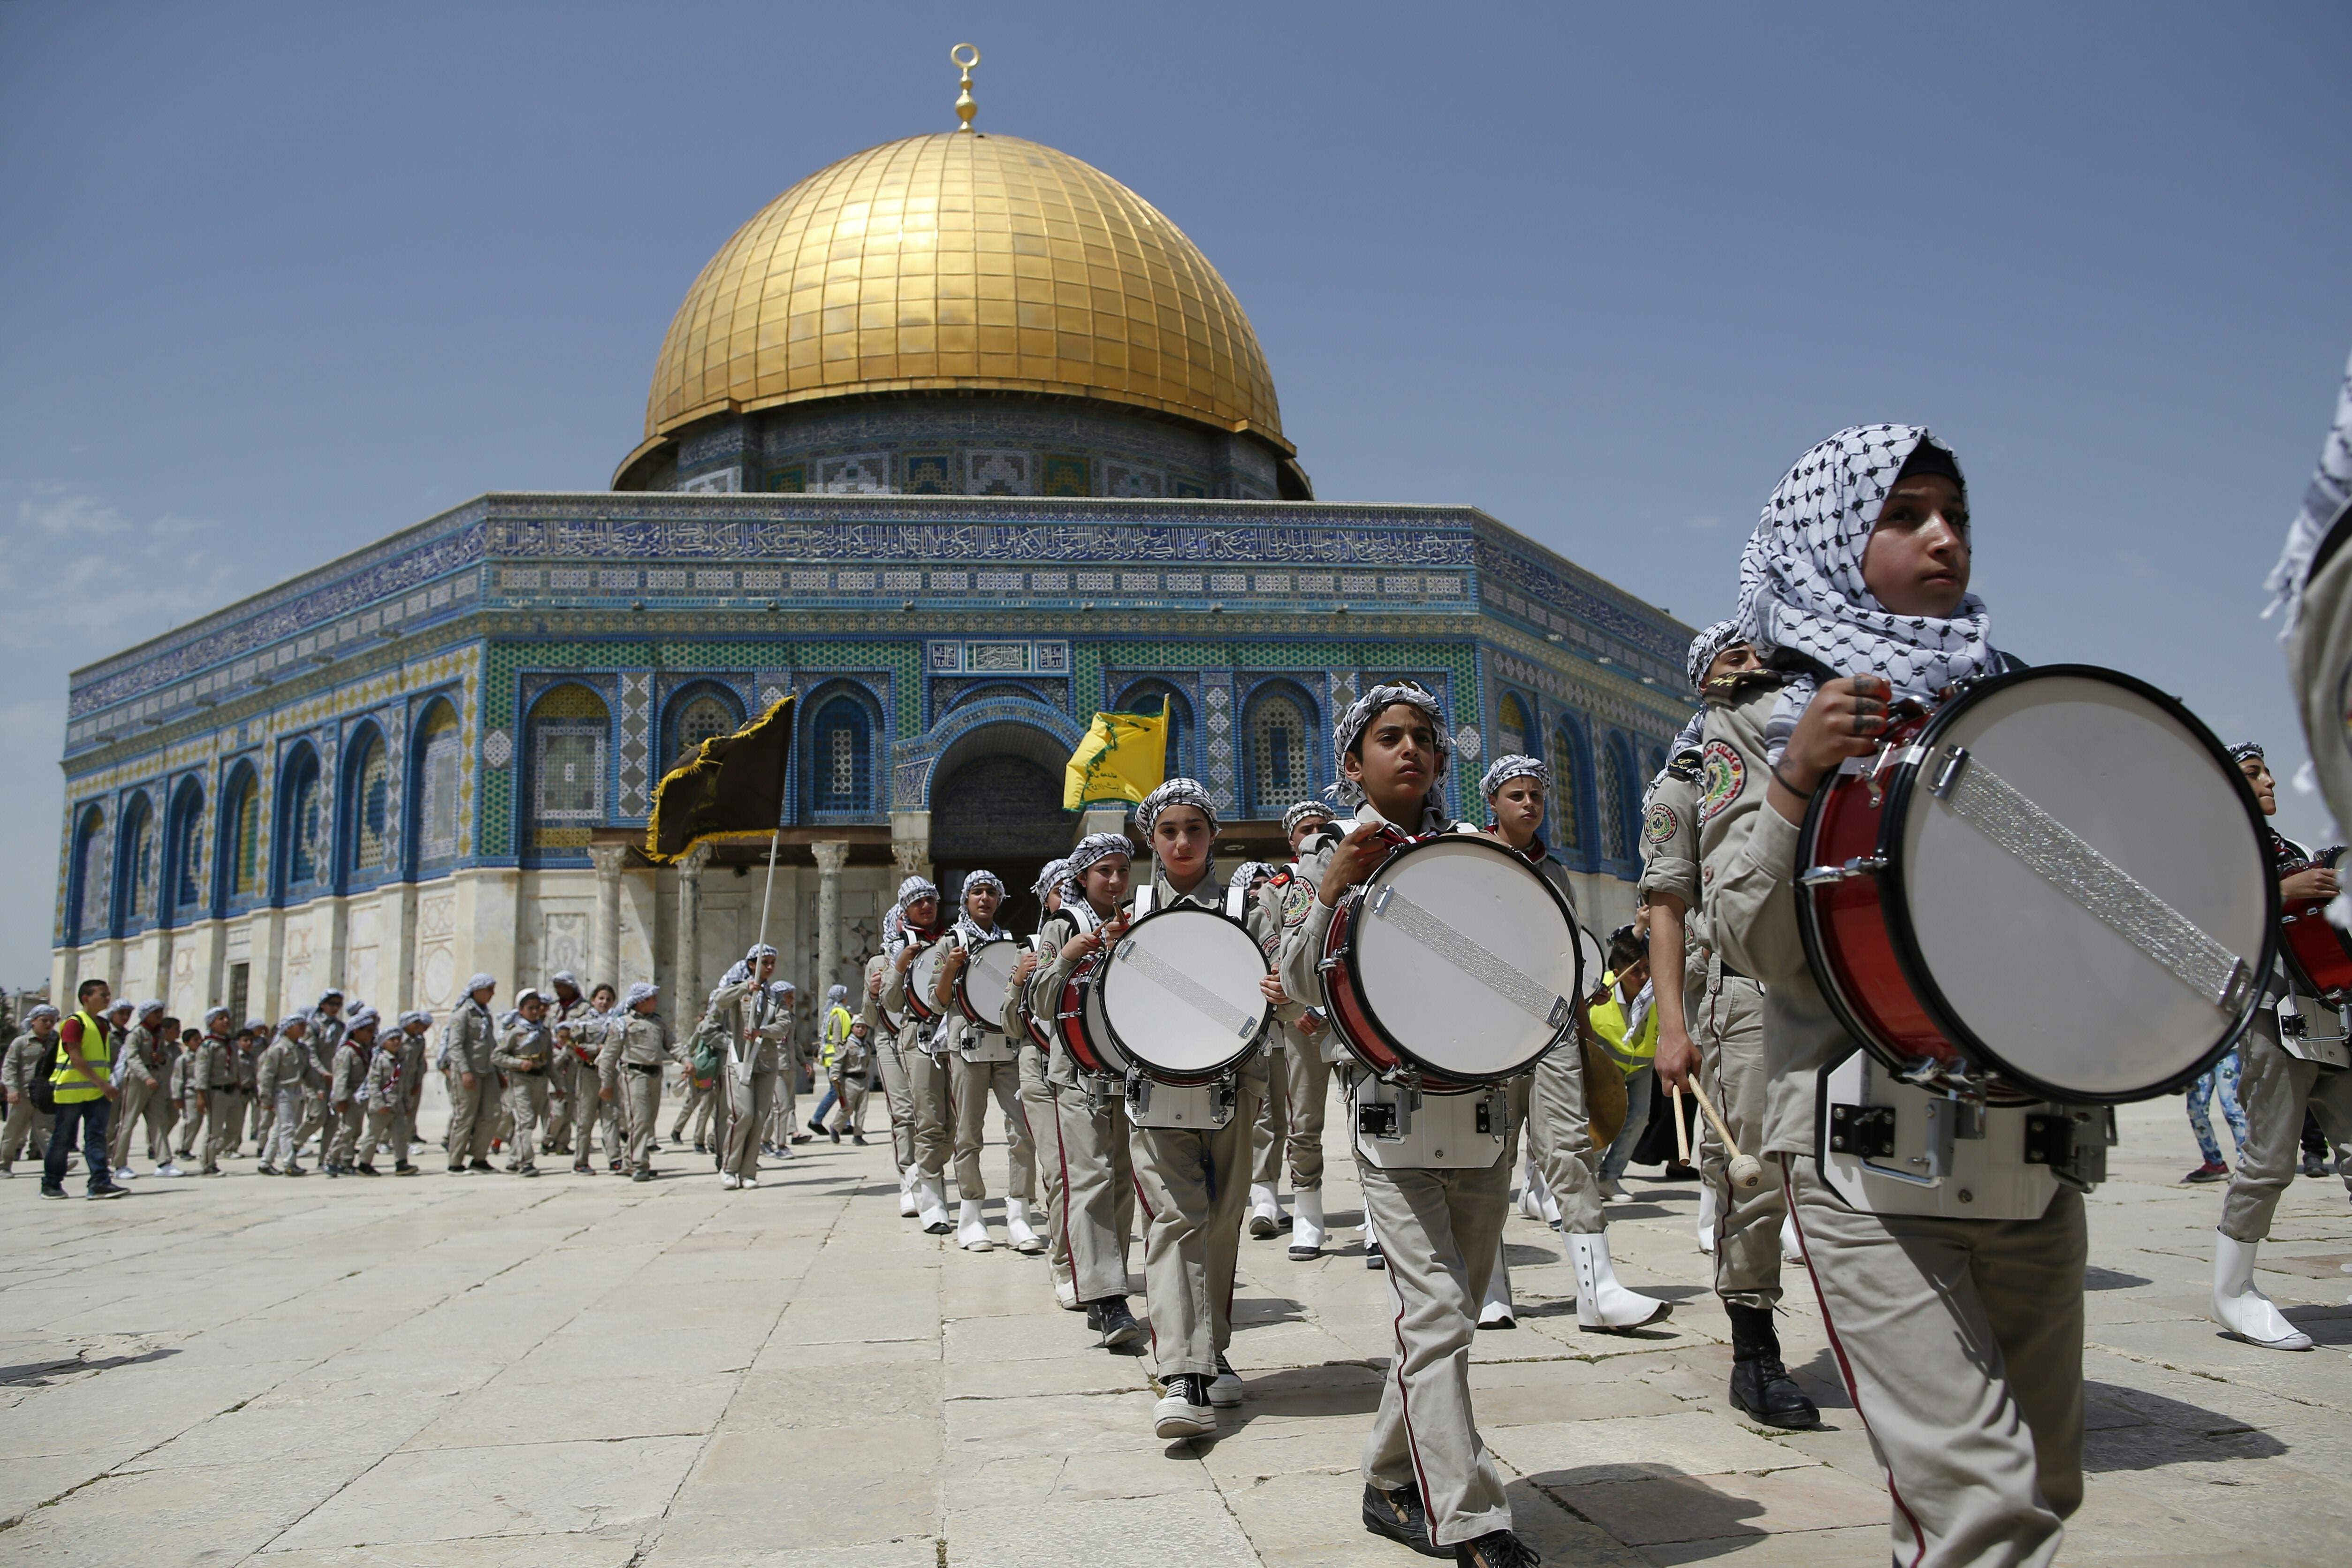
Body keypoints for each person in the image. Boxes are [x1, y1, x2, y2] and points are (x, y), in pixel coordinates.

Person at [1712, 423, 2086, 1567]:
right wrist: (1796, 779)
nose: (1944, 538)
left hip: (2025, 1138)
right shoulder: (1769, 716)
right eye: (1907, 513)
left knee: (2041, 1475)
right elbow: (1748, 935)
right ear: (1835, 534)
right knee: (1980, 1501)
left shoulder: (2013, 706)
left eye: (1957, 515)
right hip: (1861, 1142)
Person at [1278, 684, 1536, 1568]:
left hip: (1479, 1108)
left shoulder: (1469, 852)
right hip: (1391, 1111)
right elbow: (1300, 985)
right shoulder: (1333, 856)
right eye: (1388, 738)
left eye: (1423, 738)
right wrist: (1330, 894)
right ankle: (1469, 1518)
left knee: (1452, 1307)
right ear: (1353, 761)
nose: (1410, 751)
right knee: (1432, 1309)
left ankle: (1389, 1473)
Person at [1645, 623, 1814, 1426]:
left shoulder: (1802, 737)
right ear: (1700, 680)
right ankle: (1755, 1350)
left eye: (1755, 653)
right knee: (1754, 1171)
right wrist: (1670, 1026)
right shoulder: (1684, 780)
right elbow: (1666, 906)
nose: (1749, 665)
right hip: (1744, 993)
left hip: (1827, 982)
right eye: (1729, 658)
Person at [1481, 754, 1667, 1337]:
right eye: (1517, 796)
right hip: (1489, 1033)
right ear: (1494, 803)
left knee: (1567, 1148)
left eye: (1537, 796)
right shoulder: (1473, 862)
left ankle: (1598, 1290)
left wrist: (1583, 1025)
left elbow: (1571, 953)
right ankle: (1489, 1289)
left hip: (1554, 1024)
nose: (1529, 805)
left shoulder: (1556, 872)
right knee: (1490, 1155)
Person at [1114, 780, 1267, 1439]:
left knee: (1223, 1217)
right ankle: (1182, 1372)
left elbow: (1280, 988)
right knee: (1177, 1218)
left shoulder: (1245, 905)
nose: (1181, 842)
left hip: (1235, 1082)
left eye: (1193, 829)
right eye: (1168, 830)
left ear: (1213, 835)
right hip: (1156, 1086)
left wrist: (1284, 991)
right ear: (1151, 837)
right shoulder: (1135, 909)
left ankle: (1211, 1347)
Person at [2210, 741, 2352, 1349]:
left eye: (2267, 770)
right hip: (2270, 1021)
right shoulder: (2218, 852)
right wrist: (2281, 895)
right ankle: (2234, 1292)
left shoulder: (2284, 849)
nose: (2268, 780)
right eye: (2252, 773)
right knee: (2268, 1161)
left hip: (2328, 1016)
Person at [1025, 832, 1145, 1349]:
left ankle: (1108, 1278)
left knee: (1122, 1180)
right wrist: (1069, 957)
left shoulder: (1142, 922)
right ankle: (1106, 1296)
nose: (1115, 881)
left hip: (1128, 1069)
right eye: (1104, 872)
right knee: (1090, 1176)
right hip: (1074, 1071)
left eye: (1122, 870)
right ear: (1082, 878)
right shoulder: (1061, 928)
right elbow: (1040, 1001)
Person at [933, 869, 1040, 1253]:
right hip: (967, 1046)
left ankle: (1019, 1214)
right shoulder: (952, 941)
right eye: (977, 892)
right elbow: (937, 1001)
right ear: (966, 899)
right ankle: (971, 1213)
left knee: (1022, 1130)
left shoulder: (1013, 943)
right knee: (967, 1132)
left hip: (1007, 1043)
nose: (984, 898)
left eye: (991, 892)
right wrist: (950, 966)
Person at [1256, 802, 1340, 1259]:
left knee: (1369, 1112)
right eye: (1306, 830)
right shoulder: (1277, 890)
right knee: (1304, 1119)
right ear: (1292, 840)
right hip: (1301, 1017)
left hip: (1348, 1010)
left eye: (1321, 828)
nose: (1315, 836)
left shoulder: (1349, 872)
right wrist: (1293, 994)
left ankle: (1374, 1215)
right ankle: (1308, 1213)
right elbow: (1274, 948)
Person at [1008, 858, 1077, 1297]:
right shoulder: (1032, 948)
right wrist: (1018, 982)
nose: (1066, 895)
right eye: (1058, 889)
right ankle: (1067, 1265)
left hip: (1092, 1069)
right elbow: (1012, 1026)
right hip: (1041, 1067)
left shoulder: (1114, 936)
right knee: (1059, 1170)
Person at [883, 877, 955, 1232]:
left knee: (952, 1125)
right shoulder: (896, 946)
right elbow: (891, 1004)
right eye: (918, 902)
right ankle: (933, 1201)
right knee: (928, 1120)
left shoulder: (951, 941)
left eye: (931, 900)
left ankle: (917, 1173)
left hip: (952, 1036)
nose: (926, 907)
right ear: (905, 908)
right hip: (918, 1036)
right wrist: (899, 966)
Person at [711, 944, 790, 1190]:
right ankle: (729, 1167)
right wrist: (745, 987)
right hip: (740, 1061)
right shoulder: (740, 991)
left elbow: (783, 1025)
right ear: (752, 965)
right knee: (742, 1113)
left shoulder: (775, 996)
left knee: (758, 1118)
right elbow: (720, 1000)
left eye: (772, 963)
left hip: (765, 1063)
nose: (769, 968)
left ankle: (748, 1170)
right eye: (764, 963)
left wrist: (761, 1032)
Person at [599, 981, 677, 1181]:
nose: (656, 1002)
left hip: (655, 1075)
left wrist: (686, 1061)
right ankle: (639, 1164)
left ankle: (628, 1161)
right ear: (641, 1001)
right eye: (652, 998)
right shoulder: (622, 1023)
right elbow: (609, 1056)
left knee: (647, 1122)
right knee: (639, 1120)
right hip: (634, 1075)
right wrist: (606, 1083)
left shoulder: (658, 1023)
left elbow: (673, 1044)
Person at [494, 989, 556, 1177]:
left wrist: (559, 1085)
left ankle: (514, 1158)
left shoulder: (544, 1032)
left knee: (530, 1121)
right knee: (525, 1119)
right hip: (520, 1080)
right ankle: (526, 1162)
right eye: (531, 1008)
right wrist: (518, 1064)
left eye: (538, 1008)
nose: (535, 1012)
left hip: (540, 1079)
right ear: (521, 1010)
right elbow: (497, 1055)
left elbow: (550, 1061)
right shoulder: (515, 1032)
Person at [108, 999, 171, 1178]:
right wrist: (146, 1077)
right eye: (155, 1012)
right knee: (128, 1121)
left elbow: (165, 1056)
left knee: (159, 1120)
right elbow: (133, 1059)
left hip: (155, 1077)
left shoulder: (159, 1034)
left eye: (161, 1011)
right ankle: (119, 1164)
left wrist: (161, 1059)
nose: (159, 1016)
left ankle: (164, 1162)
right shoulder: (136, 1034)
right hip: (138, 1079)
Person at [444, 974, 500, 1173]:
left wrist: (499, 1071)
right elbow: (455, 1046)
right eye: (489, 990)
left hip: (488, 1070)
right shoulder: (462, 1015)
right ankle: (455, 1162)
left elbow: (491, 1043)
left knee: (493, 1114)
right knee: (465, 1116)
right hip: (468, 1072)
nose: (492, 994)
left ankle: (479, 1158)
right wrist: (465, 1071)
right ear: (477, 991)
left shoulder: (486, 1015)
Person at [2, 1005, 61, 1175]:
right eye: (44, 1020)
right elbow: (9, 1068)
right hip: (22, 1096)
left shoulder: (56, 1042)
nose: (49, 1024)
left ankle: (55, 1164)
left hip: (45, 1095)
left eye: (52, 1021)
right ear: (34, 1021)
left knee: (46, 1131)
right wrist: (12, 1090)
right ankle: (3, 1164)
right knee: (13, 1132)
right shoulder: (21, 1043)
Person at [255, 1015, 313, 1177]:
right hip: (282, 1091)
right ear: (288, 1029)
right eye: (299, 1026)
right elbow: (267, 1075)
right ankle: (289, 1163)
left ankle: (266, 1162)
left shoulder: (302, 1049)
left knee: (280, 1129)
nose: (303, 1029)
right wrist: (266, 1098)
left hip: (296, 1090)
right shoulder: (278, 1049)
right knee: (288, 1128)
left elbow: (308, 1072)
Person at [2183, 1050, 2249, 1183]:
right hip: (2198, 1055)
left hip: (2227, 1050)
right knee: (2196, 1111)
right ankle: (2214, 1163)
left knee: (2233, 1110)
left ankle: (2247, 1163)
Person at [192, 1010, 244, 1176]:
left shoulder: (231, 1045)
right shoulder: (208, 1046)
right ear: (211, 1023)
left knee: (235, 1128)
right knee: (214, 1130)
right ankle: (209, 1164)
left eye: (227, 1018)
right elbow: (202, 1072)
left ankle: (210, 1153)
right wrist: (201, 1096)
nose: (226, 1021)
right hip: (217, 1092)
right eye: (220, 1019)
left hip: (232, 1091)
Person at [353, 1020, 407, 1175]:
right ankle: (364, 1164)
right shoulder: (379, 1060)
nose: (396, 1042)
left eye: (398, 1039)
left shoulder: (400, 1060)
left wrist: (405, 1103)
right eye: (392, 1040)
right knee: (373, 1136)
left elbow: (402, 1084)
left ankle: (401, 1162)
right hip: (382, 1106)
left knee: (399, 1135)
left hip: (396, 1104)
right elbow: (374, 1084)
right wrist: (379, 1103)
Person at [325, 1007, 374, 1176]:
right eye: (367, 1031)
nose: (371, 1034)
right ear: (356, 1032)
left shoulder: (363, 1050)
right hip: (349, 1097)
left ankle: (347, 1161)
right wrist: (341, 1100)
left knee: (356, 1131)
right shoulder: (347, 1052)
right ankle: (331, 1159)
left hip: (360, 1097)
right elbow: (341, 1078)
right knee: (346, 1130)